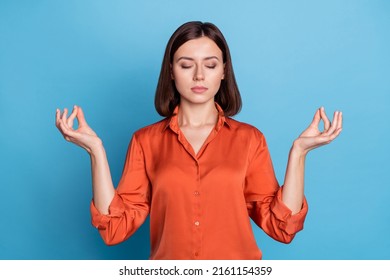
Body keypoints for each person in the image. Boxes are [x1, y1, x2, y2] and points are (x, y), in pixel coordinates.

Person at [55, 21, 342, 260]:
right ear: (171, 71)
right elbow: (115, 228)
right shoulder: (145, 141)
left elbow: (282, 227)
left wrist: (299, 153)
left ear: (224, 71)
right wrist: (96, 151)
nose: (199, 75)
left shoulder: (249, 139)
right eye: (186, 64)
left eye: (211, 64)